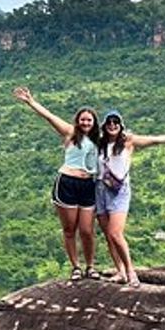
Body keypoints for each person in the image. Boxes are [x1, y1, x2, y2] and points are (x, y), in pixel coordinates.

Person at [95, 109, 165, 287]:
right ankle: (120, 271)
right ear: (104, 125)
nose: (112, 125)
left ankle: (131, 272)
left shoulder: (128, 141)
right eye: (109, 122)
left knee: (115, 233)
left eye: (115, 122)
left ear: (120, 125)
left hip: (119, 191)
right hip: (100, 189)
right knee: (108, 236)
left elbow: (154, 140)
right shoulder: (100, 143)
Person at [13, 86, 100, 280]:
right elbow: (49, 117)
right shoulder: (70, 133)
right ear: (78, 121)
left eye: (89, 120)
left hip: (88, 186)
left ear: (94, 123)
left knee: (87, 230)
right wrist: (30, 101)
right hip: (67, 183)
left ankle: (91, 266)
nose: (85, 122)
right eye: (82, 119)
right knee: (70, 229)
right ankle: (76, 267)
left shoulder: (99, 140)